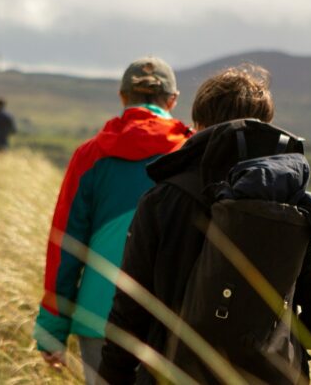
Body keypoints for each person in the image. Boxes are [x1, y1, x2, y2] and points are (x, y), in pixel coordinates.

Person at [98, 64, 311, 384]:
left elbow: (130, 309)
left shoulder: (162, 198)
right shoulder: (290, 199)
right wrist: (284, 345)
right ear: (264, 126)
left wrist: (112, 376)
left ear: (198, 125)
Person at [33, 57, 192, 384]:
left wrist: (52, 330)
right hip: (173, 319)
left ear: (122, 97)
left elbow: (65, 246)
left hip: (99, 317)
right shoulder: (191, 153)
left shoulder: (89, 155)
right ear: (173, 100)